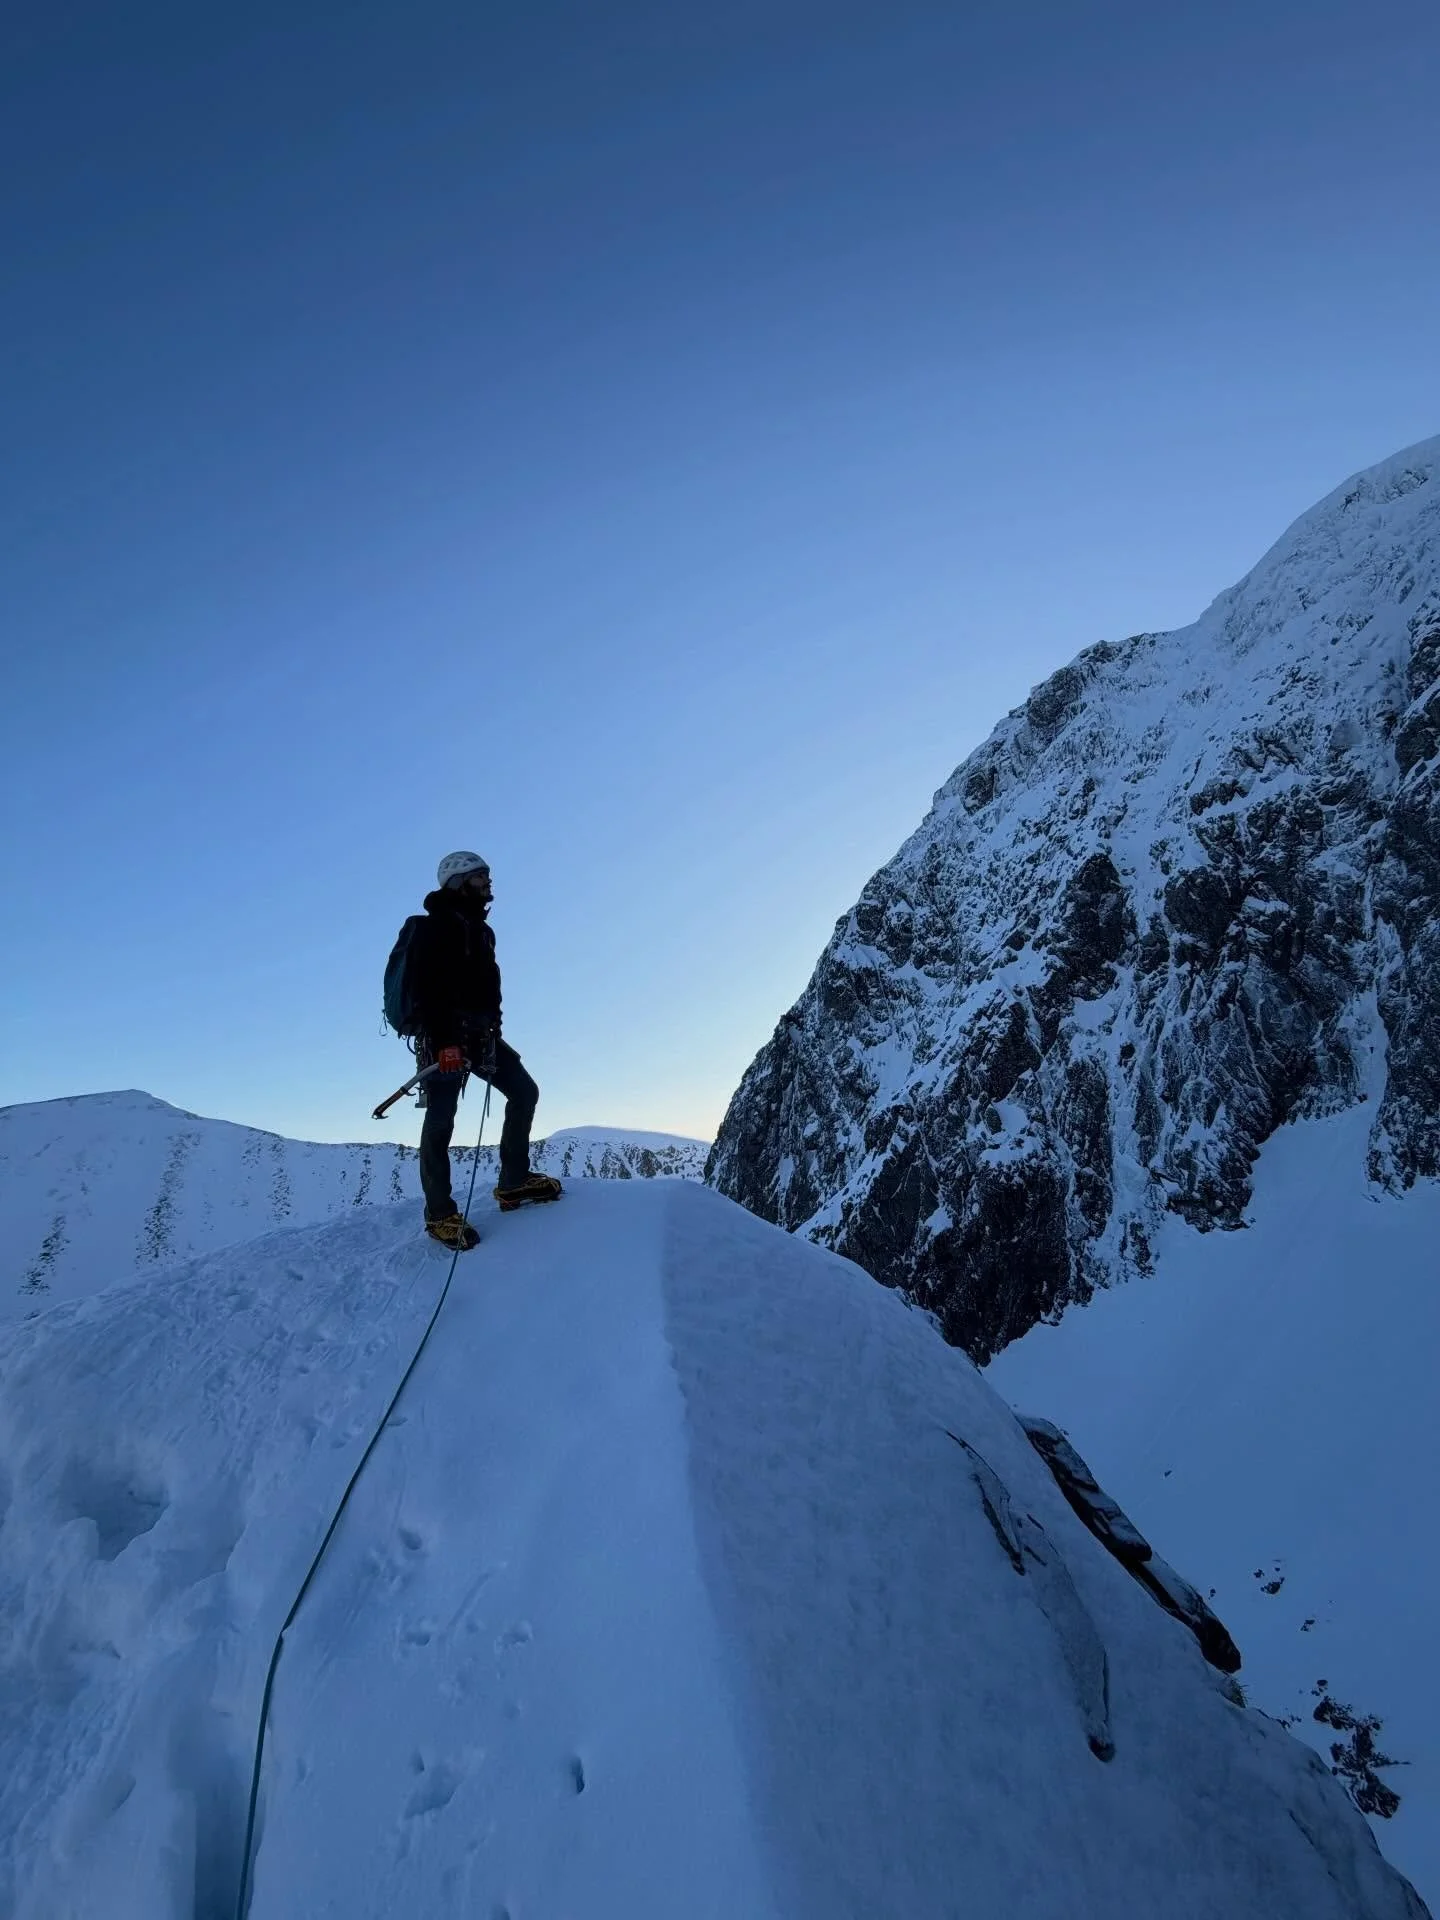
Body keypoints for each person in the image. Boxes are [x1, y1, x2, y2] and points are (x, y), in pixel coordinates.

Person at [408, 851, 561, 1248]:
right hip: (445, 1040)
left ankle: (513, 1182)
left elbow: (488, 986)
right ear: (458, 882)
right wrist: (443, 1043)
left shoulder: (480, 930)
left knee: (524, 1091)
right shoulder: (434, 928)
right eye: (480, 877)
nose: (488, 882)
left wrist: (493, 1026)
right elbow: (429, 990)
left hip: (480, 1037)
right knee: (441, 1121)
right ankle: (439, 1213)